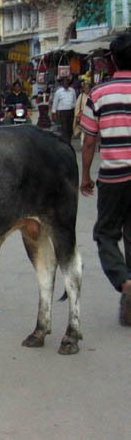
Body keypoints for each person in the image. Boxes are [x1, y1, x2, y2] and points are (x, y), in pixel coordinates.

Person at [80, 32, 131, 326]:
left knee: (106, 234)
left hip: (113, 178)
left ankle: (125, 282)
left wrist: (85, 176)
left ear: (111, 60)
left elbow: (88, 142)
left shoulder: (99, 94)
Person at [52, 76, 77, 144]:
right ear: (62, 83)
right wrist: (54, 113)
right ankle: (66, 142)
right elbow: (55, 103)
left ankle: (69, 140)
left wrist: (75, 111)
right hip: (63, 112)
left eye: (67, 82)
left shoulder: (72, 91)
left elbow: (74, 101)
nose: (66, 83)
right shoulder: (58, 92)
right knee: (64, 128)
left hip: (71, 111)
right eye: (64, 82)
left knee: (70, 128)